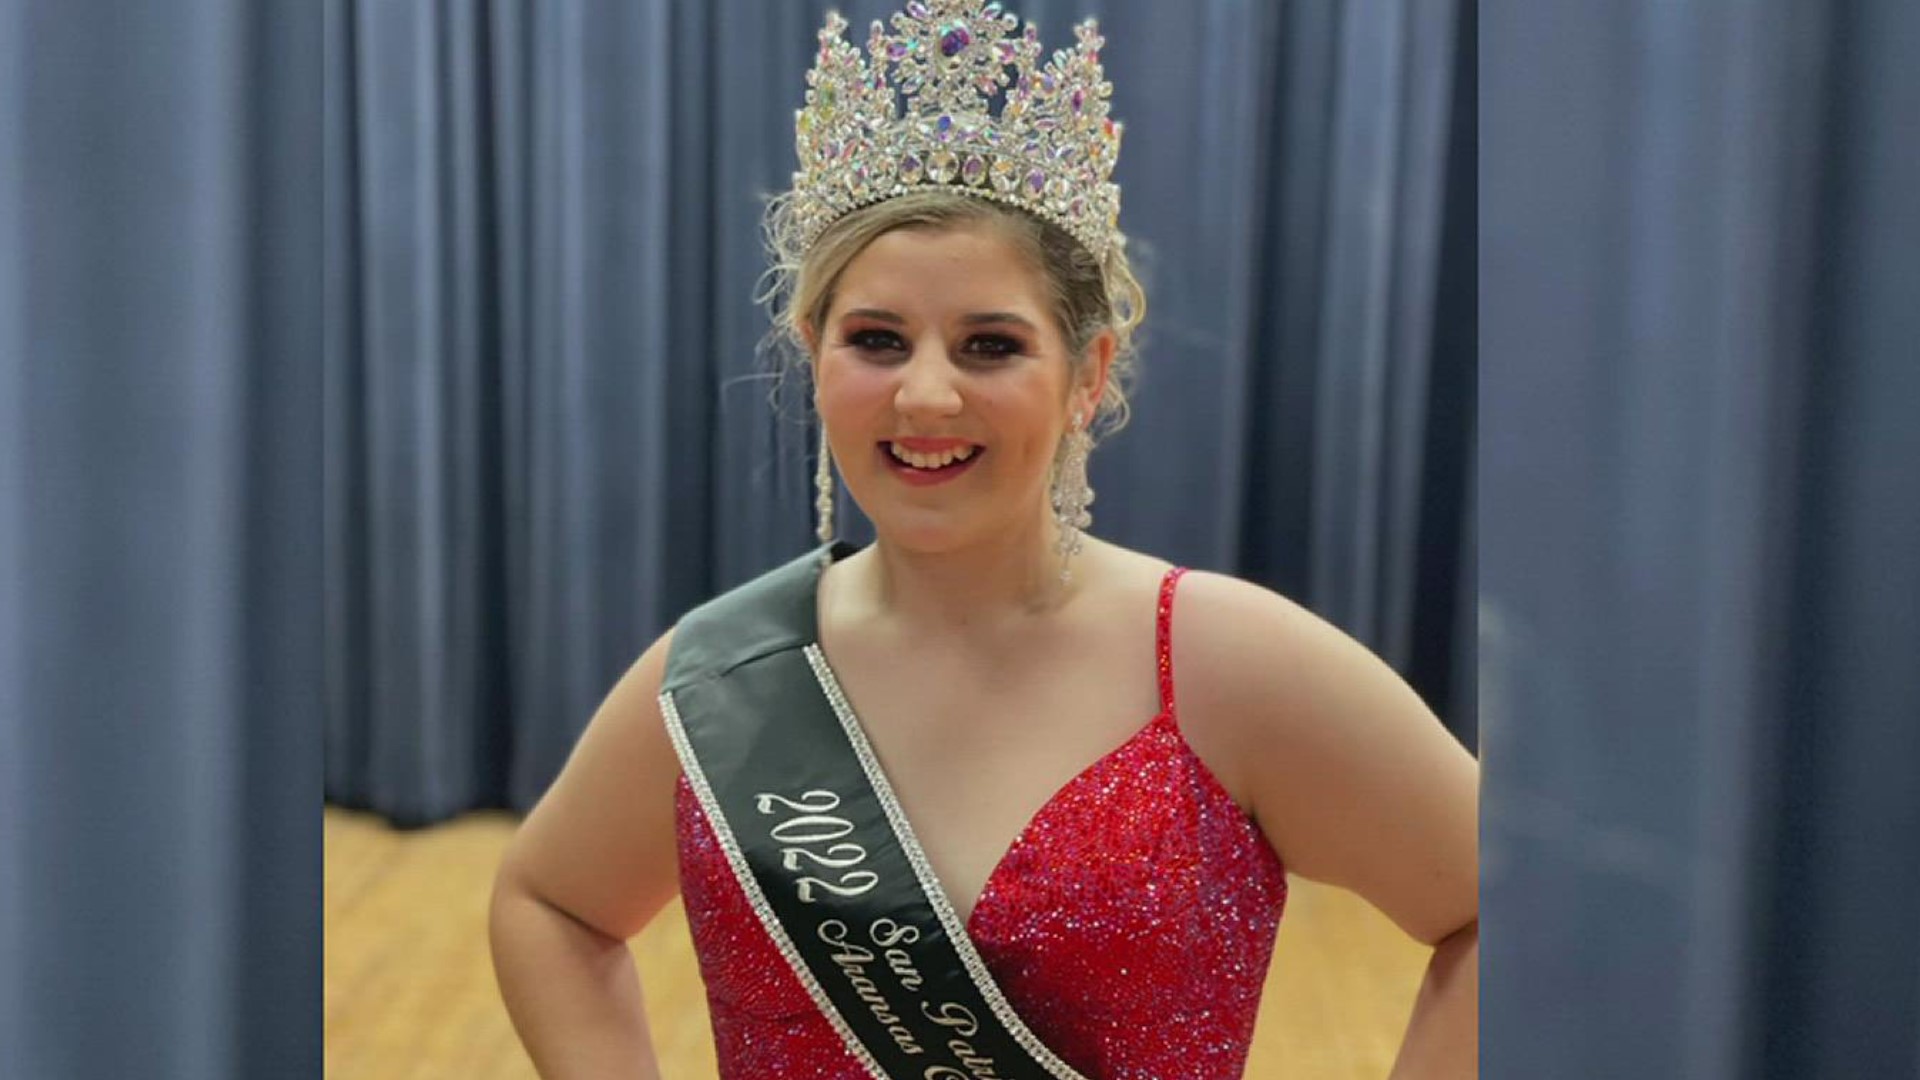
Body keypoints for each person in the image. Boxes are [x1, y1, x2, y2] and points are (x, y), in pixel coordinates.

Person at [489, 3, 1478, 1077]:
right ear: (814, 353)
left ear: (1087, 376)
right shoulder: (726, 672)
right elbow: (549, 903)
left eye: (989, 346)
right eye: (876, 340)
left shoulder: (1225, 661)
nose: (924, 393)